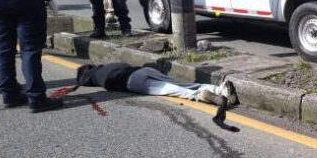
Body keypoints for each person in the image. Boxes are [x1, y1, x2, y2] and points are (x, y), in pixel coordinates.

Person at [75, 62, 239, 130]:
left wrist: (80, 82)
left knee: (171, 90)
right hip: (143, 70)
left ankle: (199, 95)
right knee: (179, 83)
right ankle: (220, 89)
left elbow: (84, 80)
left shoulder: (92, 76)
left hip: (132, 81)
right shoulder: (109, 65)